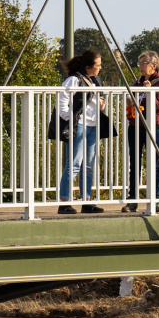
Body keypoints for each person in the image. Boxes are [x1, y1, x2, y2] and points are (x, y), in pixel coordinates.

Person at [57, 50, 108, 215]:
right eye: (98, 65)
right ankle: (64, 202)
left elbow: (100, 101)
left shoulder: (96, 80)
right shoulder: (74, 79)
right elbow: (62, 100)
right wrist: (70, 119)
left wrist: (102, 103)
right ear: (88, 66)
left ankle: (86, 200)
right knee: (74, 164)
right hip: (79, 125)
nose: (100, 68)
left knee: (88, 165)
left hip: (93, 125)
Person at [122, 50, 159, 213]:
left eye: (143, 64)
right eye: (139, 64)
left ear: (153, 66)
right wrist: (129, 101)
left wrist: (150, 92)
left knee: (154, 165)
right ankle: (132, 200)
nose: (140, 67)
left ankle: (155, 200)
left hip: (153, 127)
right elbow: (134, 100)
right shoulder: (138, 81)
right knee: (134, 163)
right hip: (135, 126)